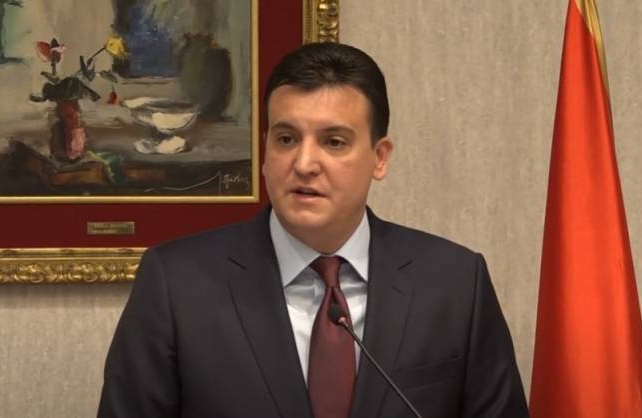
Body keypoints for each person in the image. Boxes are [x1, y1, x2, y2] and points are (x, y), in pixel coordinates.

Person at [98, 42, 529, 418]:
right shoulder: (176, 284)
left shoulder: (456, 284)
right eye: (286, 139)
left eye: (333, 142)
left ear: (380, 158)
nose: (304, 164)